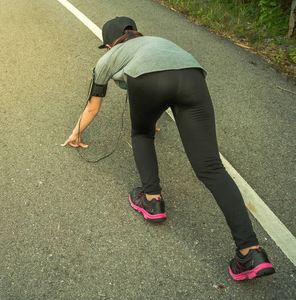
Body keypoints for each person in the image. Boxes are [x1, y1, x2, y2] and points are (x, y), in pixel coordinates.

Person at [61, 17, 275, 280]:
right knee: (211, 168)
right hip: (193, 75)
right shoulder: (158, 42)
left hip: (149, 81)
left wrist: (76, 133)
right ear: (135, 33)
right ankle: (250, 251)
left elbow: (93, 106)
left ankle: (152, 200)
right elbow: (169, 78)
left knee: (141, 133)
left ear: (108, 44)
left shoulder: (107, 59)